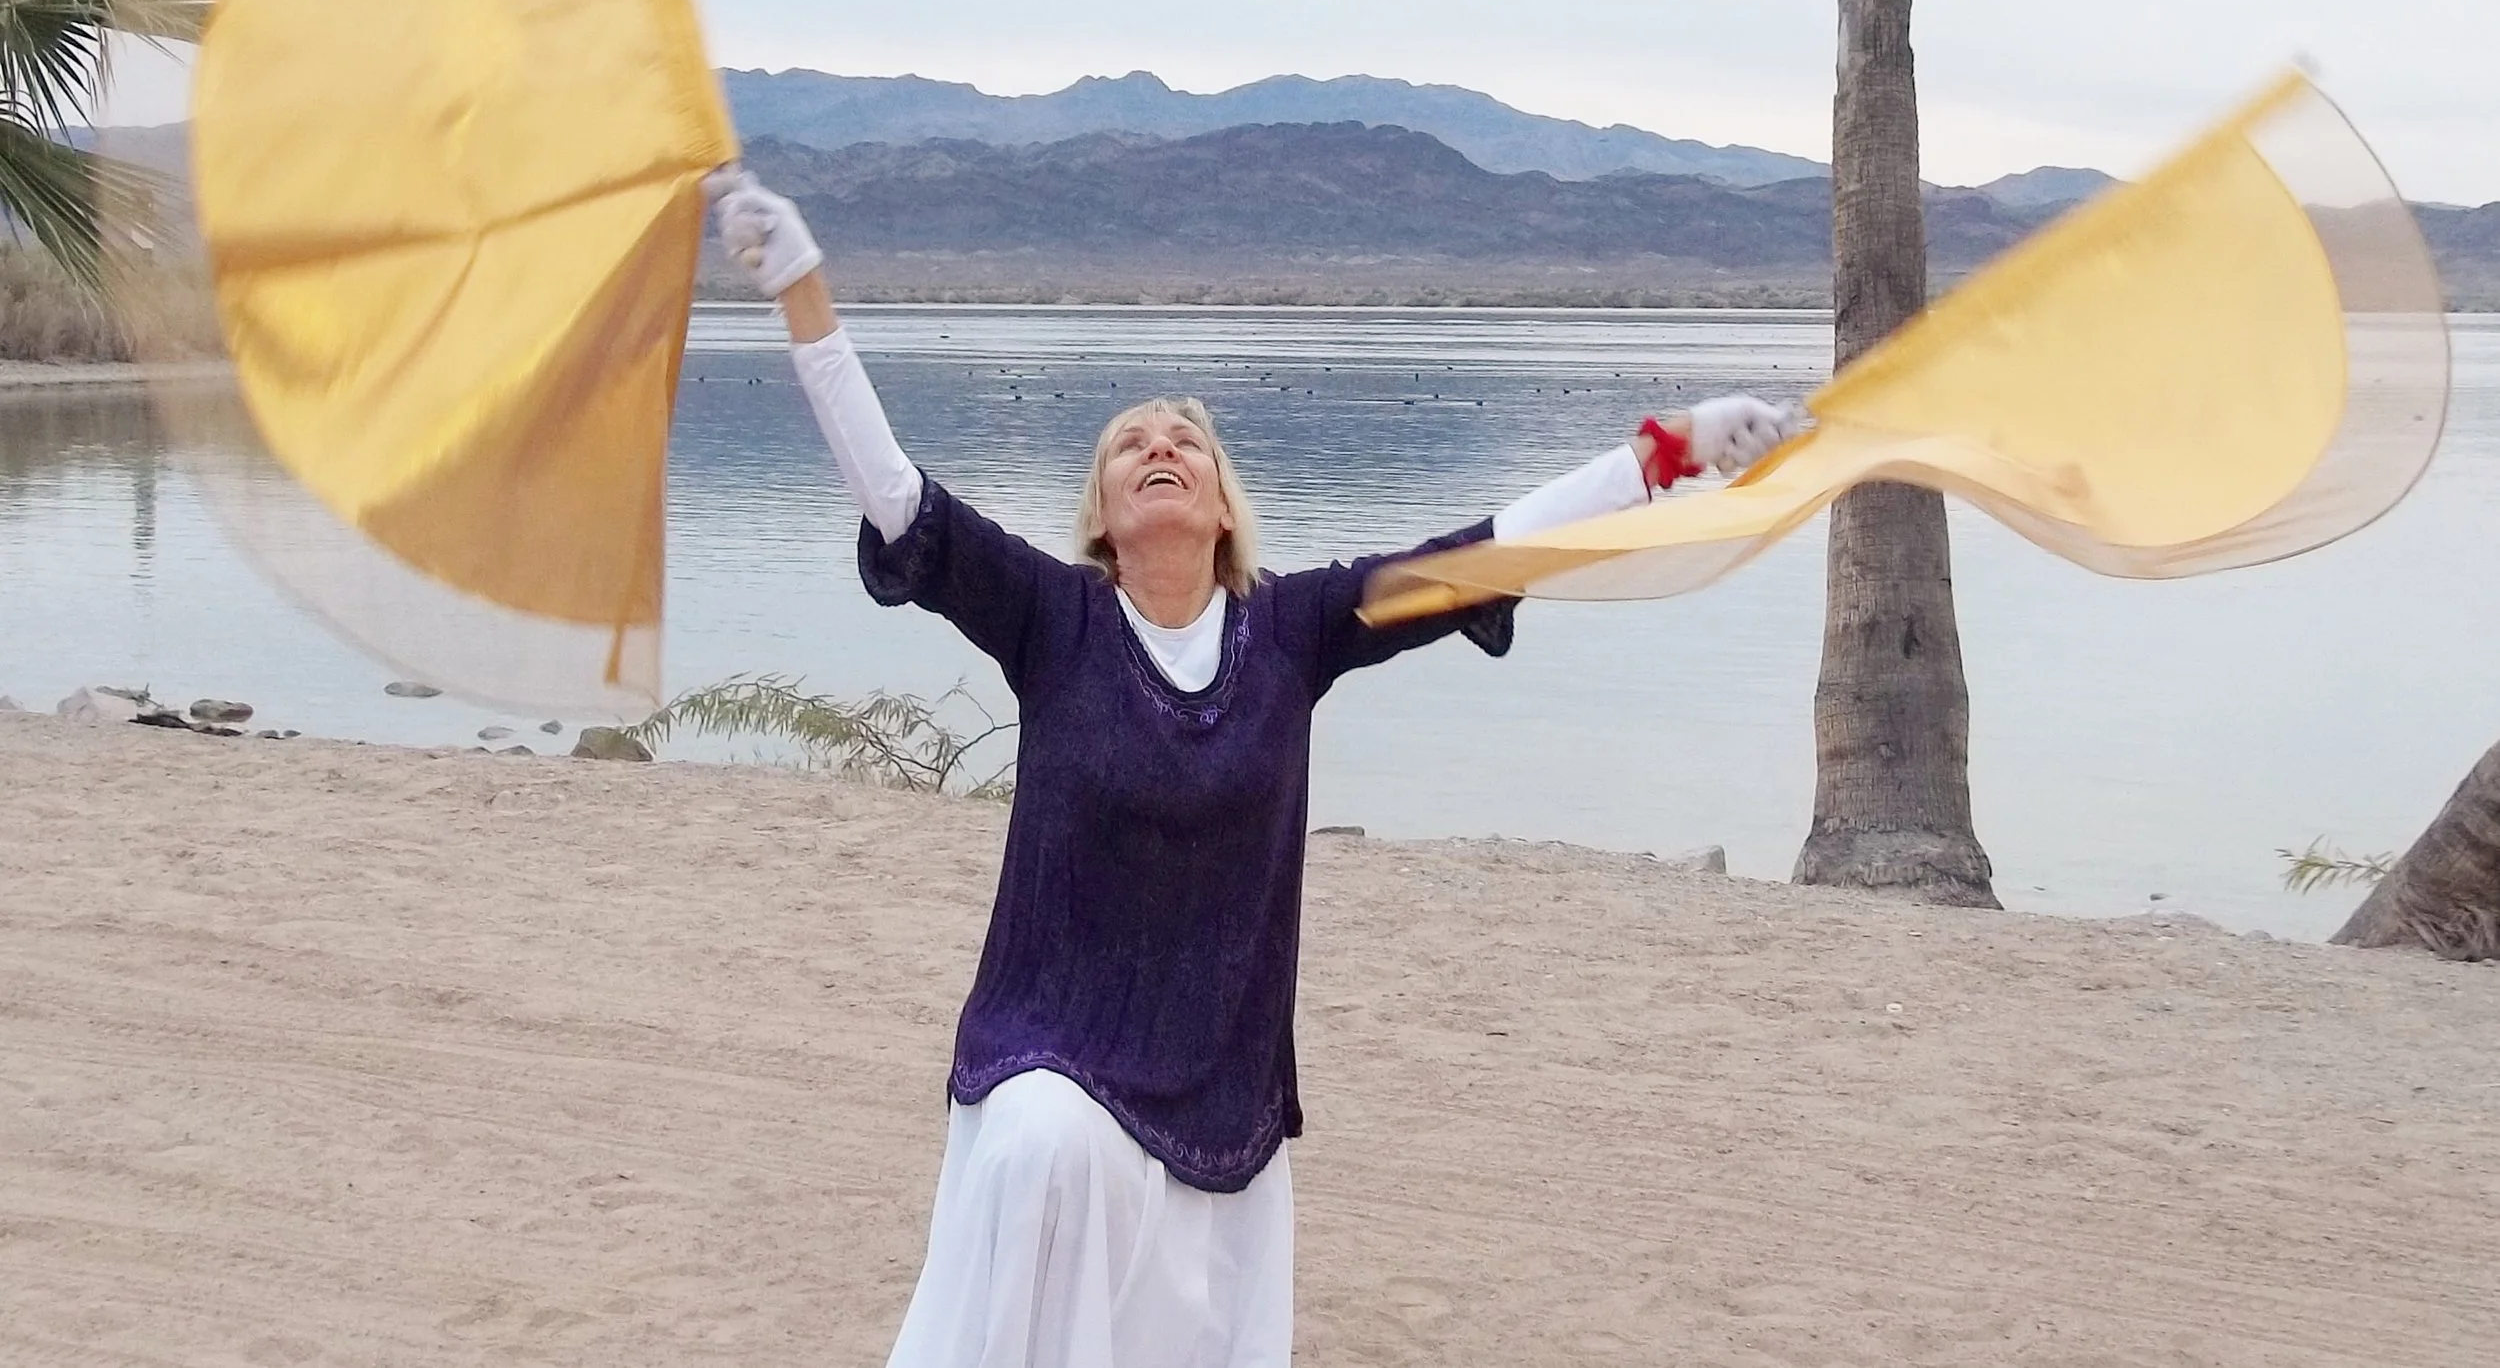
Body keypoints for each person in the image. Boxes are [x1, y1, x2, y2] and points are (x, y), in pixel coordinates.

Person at [707, 168, 1802, 1368]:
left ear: (1224, 506)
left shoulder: (1292, 631)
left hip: (1218, 1068)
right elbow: (895, 493)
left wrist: (1667, 451)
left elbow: (1480, 557)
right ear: (1102, 514)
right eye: (1130, 443)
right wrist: (802, 289)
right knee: (1041, 1149)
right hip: (1051, 1037)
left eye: (1185, 440)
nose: (1159, 446)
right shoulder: (1048, 617)